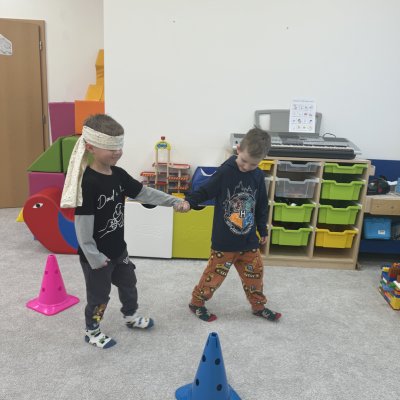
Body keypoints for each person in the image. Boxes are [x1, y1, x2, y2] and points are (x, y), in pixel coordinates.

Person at [61, 114, 187, 349]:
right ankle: (92, 330)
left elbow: (145, 193)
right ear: (91, 147)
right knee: (99, 296)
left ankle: (130, 316)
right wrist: (95, 257)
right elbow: (82, 226)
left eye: (119, 146)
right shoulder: (88, 183)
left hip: (119, 250)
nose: (117, 152)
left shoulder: (118, 175)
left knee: (129, 283)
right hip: (97, 257)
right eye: (111, 148)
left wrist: (174, 201)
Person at [181, 127, 281, 322]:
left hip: (248, 240)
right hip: (224, 241)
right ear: (238, 149)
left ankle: (258, 306)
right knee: (214, 276)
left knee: (255, 274)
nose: (246, 167)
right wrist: (189, 202)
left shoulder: (258, 176)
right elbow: (205, 190)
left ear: (262, 160)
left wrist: (263, 229)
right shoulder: (225, 172)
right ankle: (197, 302)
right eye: (243, 161)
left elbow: (262, 205)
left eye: (253, 164)